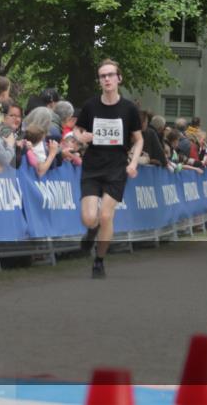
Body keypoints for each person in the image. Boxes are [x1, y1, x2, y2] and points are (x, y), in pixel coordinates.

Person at [72, 59, 143, 279]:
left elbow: (139, 139)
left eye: (111, 75)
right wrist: (81, 137)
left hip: (116, 168)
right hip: (92, 166)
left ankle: (99, 261)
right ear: (99, 81)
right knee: (89, 218)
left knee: (105, 215)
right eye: (103, 76)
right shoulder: (91, 106)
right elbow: (76, 130)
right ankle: (91, 230)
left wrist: (133, 163)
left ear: (119, 78)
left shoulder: (129, 108)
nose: (107, 79)